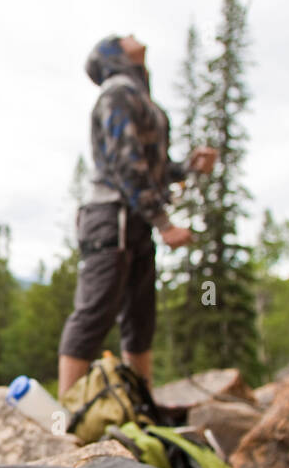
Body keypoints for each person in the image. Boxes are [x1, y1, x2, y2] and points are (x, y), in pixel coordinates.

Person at [58, 33, 216, 398]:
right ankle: (65, 418)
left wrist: (189, 168)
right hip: (110, 217)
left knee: (141, 319)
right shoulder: (117, 93)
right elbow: (125, 163)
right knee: (95, 313)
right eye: (122, 37)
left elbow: (151, 168)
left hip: (135, 220)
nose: (133, 36)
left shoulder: (136, 95)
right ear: (111, 54)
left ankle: (143, 409)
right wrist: (164, 223)